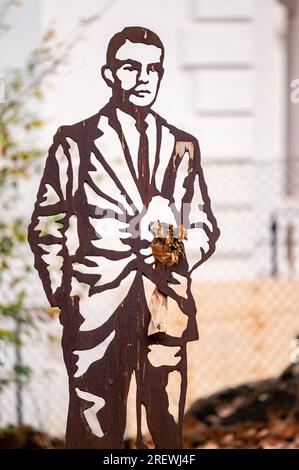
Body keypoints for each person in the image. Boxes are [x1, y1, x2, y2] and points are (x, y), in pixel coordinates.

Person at [28, 26, 220, 449]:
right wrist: (65, 292)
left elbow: (202, 224)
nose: (143, 78)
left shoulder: (181, 145)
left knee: (167, 432)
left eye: (153, 69)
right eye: (131, 68)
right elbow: (47, 223)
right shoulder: (75, 141)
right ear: (109, 74)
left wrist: (166, 242)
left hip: (164, 304)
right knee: (94, 431)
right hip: (95, 307)